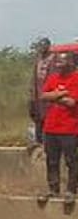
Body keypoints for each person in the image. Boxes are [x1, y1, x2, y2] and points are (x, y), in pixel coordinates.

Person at [38, 51, 78, 205]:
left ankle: (71, 191)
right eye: (57, 62)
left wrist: (54, 95)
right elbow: (43, 96)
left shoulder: (76, 78)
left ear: (71, 62)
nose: (57, 65)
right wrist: (63, 93)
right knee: (52, 160)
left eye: (61, 61)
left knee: (71, 160)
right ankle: (53, 189)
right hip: (51, 127)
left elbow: (71, 103)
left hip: (70, 128)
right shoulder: (53, 78)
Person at [30, 37, 54, 147]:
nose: (42, 48)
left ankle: (50, 144)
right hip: (38, 95)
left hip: (50, 95)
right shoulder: (38, 60)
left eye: (44, 45)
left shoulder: (54, 59)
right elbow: (34, 79)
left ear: (48, 46)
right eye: (40, 46)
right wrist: (32, 96)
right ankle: (39, 143)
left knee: (49, 119)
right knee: (38, 119)